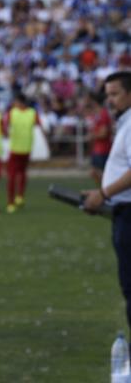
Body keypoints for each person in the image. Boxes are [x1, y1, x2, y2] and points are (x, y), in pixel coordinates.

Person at [83, 71, 131, 334]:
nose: (109, 100)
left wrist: (103, 194)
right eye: (108, 94)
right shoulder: (124, 121)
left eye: (115, 94)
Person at [4, 93, 42, 213]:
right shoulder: (32, 113)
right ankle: (20, 196)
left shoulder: (12, 112)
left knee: (11, 176)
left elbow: (5, 128)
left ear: (19, 102)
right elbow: (40, 126)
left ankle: (10, 203)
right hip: (27, 149)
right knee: (23, 173)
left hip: (15, 149)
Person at [86, 91, 112, 185]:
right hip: (97, 149)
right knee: (94, 173)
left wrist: (92, 135)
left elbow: (104, 133)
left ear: (95, 102)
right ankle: (104, 191)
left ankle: (105, 191)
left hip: (102, 149)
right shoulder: (98, 114)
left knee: (99, 173)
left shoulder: (103, 114)